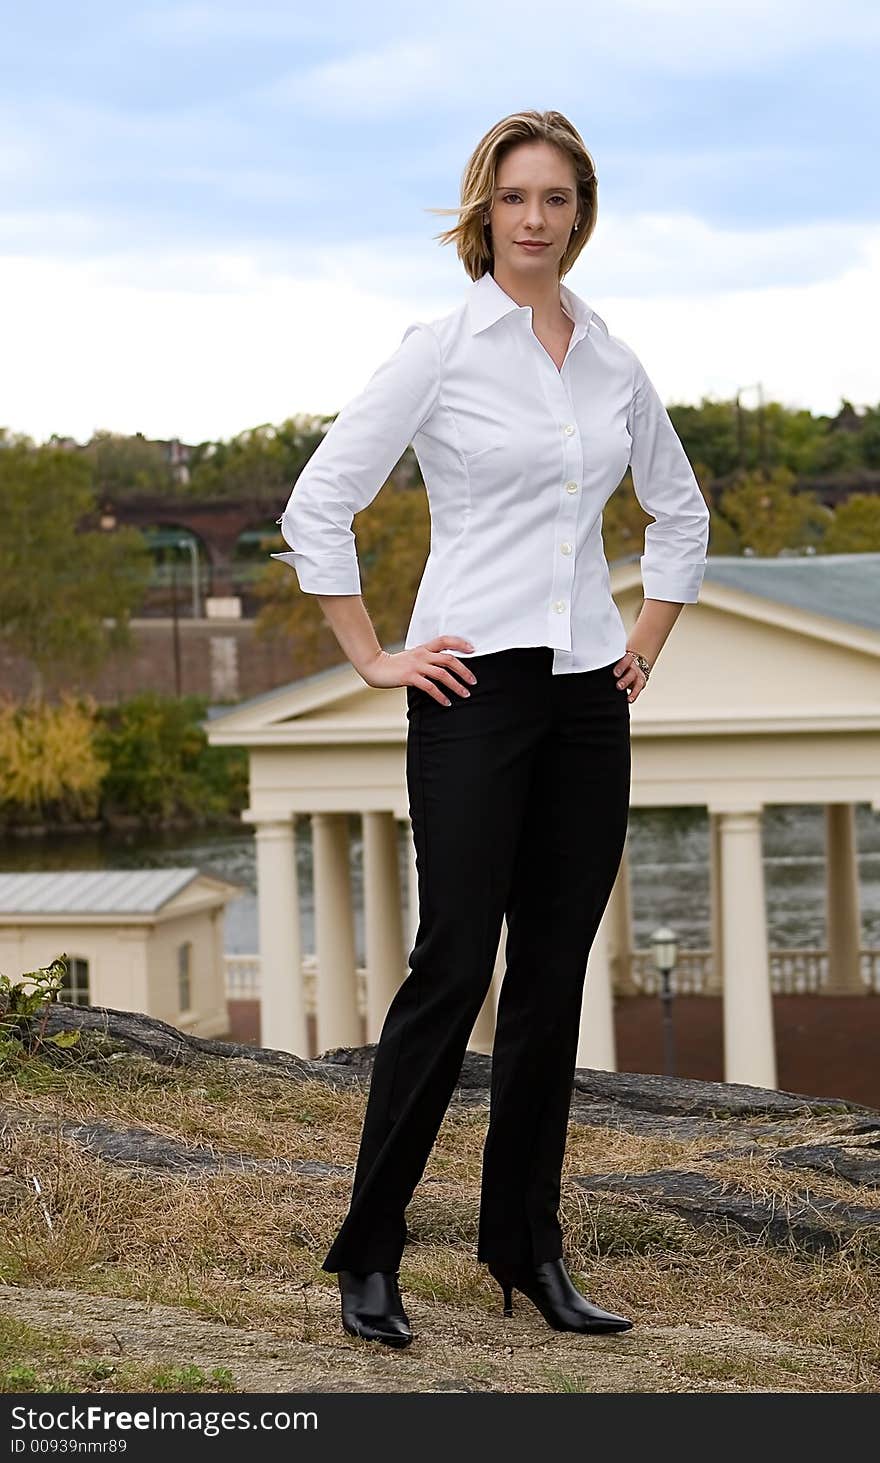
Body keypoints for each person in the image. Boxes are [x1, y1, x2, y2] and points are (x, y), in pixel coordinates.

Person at [272, 109, 711, 1348]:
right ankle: (368, 1249)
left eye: (558, 199)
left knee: (551, 976)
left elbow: (679, 515)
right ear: (484, 210)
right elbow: (323, 503)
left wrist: (643, 643)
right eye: (516, 197)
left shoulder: (613, 361)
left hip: (585, 695)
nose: (536, 219)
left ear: (581, 214)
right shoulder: (439, 348)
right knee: (457, 961)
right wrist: (371, 653)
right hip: (469, 690)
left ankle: (524, 1244)